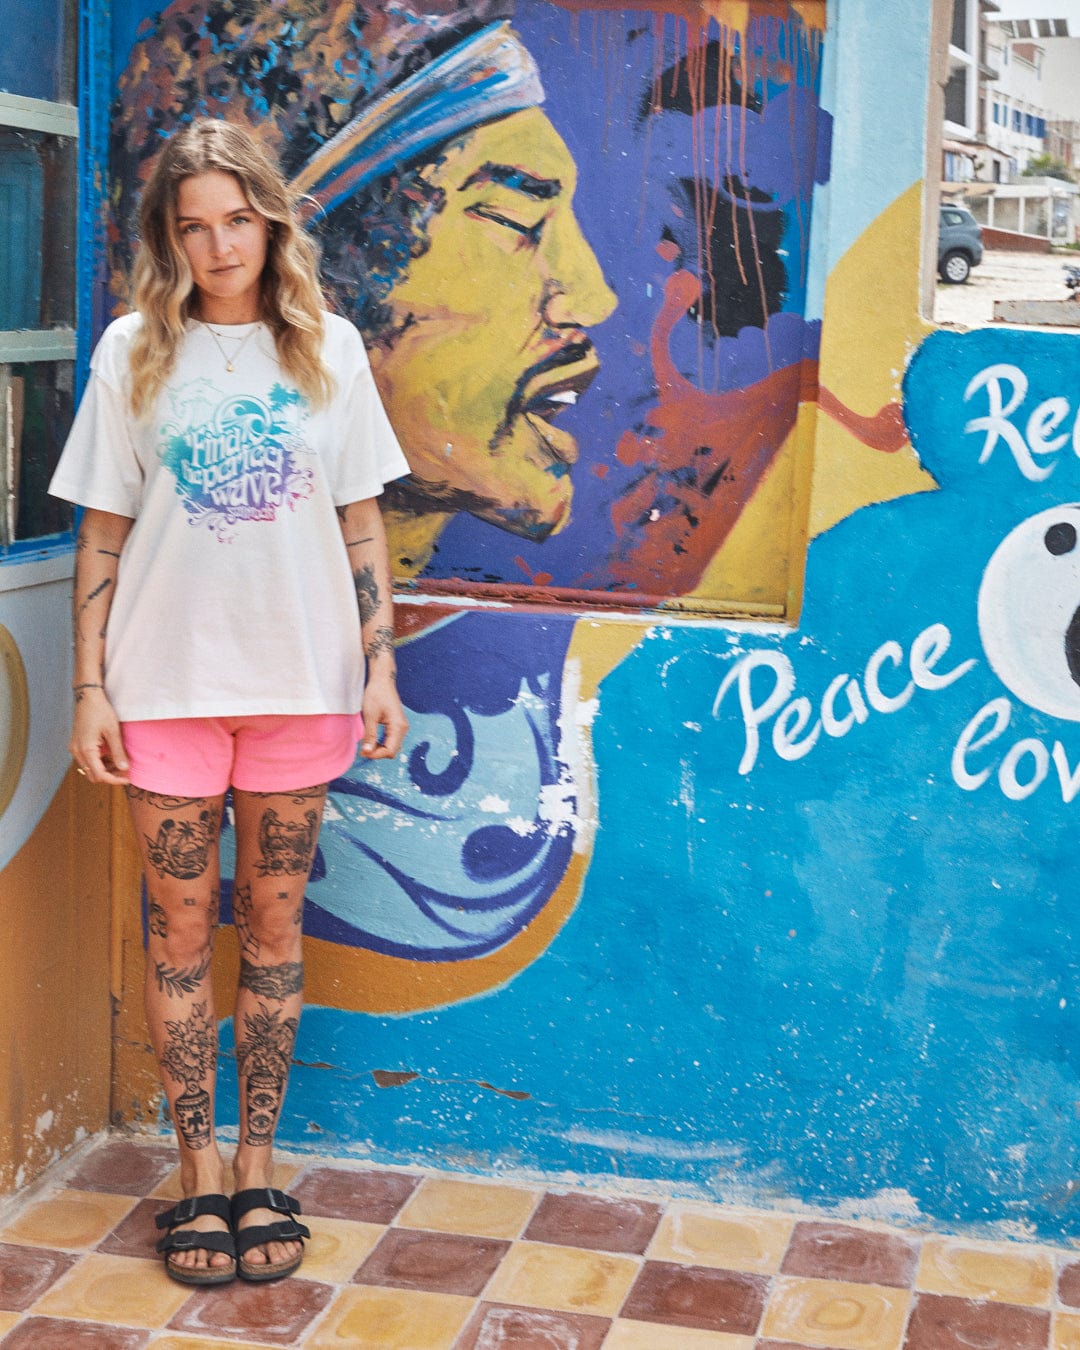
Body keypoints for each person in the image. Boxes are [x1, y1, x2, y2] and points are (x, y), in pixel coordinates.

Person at [49, 118, 410, 1286]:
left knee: (271, 931)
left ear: (271, 221)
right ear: (170, 235)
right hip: (162, 690)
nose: (219, 246)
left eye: (237, 219)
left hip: (301, 683)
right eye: (193, 225)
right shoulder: (131, 355)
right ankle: (194, 1171)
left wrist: (379, 664)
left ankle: (260, 1162)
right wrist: (90, 686)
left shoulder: (328, 351)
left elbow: (361, 520)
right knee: (181, 934)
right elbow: (102, 529)